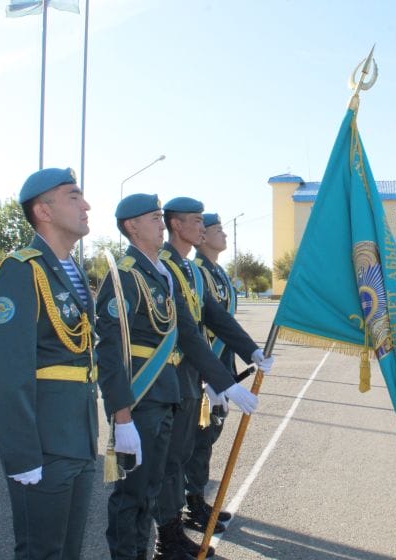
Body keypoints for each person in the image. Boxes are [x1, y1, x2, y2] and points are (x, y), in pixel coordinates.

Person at [96, 194, 259, 560]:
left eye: (161, 217)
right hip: (141, 397)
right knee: (132, 494)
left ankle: (153, 547)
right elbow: (109, 351)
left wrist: (228, 378)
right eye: (154, 218)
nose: (161, 225)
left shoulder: (161, 274)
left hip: (167, 392)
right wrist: (121, 415)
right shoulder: (125, 276)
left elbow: (188, 331)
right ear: (132, 226)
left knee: (151, 487)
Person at [0, 168, 98, 560]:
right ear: (43, 211)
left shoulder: (70, 270)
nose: (86, 205)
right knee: (41, 551)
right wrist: (22, 455)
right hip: (44, 444)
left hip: (78, 438)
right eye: (74, 196)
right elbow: (8, 372)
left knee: (68, 550)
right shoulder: (21, 269)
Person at [152, 197, 271, 558]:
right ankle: (167, 535)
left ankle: (175, 529)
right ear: (177, 225)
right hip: (171, 377)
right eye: (197, 221)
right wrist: (222, 382)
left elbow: (215, 316)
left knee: (182, 454)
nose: (203, 228)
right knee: (172, 461)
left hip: (192, 374)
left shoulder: (187, 269)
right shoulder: (164, 266)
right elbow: (188, 332)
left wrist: (251, 350)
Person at [183, 211, 264, 533]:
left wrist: (250, 352)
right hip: (207, 372)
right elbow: (198, 328)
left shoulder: (216, 272)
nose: (224, 234)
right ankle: (191, 505)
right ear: (202, 237)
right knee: (199, 442)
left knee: (207, 440)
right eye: (218, 229)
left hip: (222, 367)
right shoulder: (198, 272)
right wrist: (208, 379)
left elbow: (224, 322)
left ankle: (197, 499)